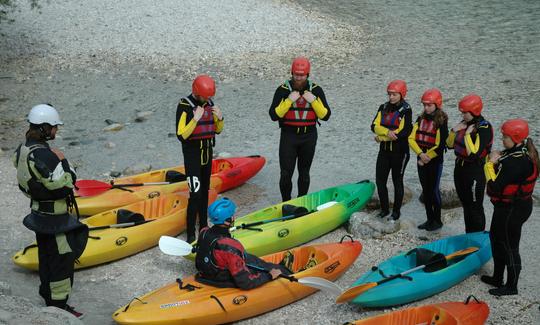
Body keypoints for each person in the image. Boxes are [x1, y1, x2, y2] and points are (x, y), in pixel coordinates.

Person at [12, 104, 88, 318]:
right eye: (54, 127)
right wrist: (63, 161)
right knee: (61, 260)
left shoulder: (21, 150)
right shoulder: (47, 156)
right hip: (55, 219)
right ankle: (59, 307)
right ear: (44, 128)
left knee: (46, 256)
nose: (56, 131)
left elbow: (26, 181)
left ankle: (47, 296)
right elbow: (66, 184)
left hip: (38, 214)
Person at [482, 119, 538, 296]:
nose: (502, 140)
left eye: (505, 137)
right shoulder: (516, 152)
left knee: (509, 246)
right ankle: (497, 277)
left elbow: (493, 187)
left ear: (516, 138)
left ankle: (511, 286)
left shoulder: (516, 162)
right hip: (508, 207)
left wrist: (489, 164)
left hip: (513, 209)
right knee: (496, 239)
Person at [269, 57, 331, 201]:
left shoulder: (316, 90)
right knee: (285, 173)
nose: (299, 78)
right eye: (296, 75)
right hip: (288, 136)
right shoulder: (282, 90)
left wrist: (314, 101)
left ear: (307, 74)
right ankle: (286, 202)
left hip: (308, 137)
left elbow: (326, 116)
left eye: (302, 75)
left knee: (304, 173)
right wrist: (289, 100)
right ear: (292, 73)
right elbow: (273, 115)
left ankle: (301, 200)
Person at [195, 198, 291, 289]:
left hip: (206, 274)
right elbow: (246, 282)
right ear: (228, 221)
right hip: (222, 279)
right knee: (259, 266)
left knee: (252, 258)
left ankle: (278, 266)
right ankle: (286, 271)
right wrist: (269, 276)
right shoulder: (230, 246)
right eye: (232, 215)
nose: (234, 217)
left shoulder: (204, 231)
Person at [176, 75, 224, 243]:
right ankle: (190, 233)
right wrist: (195, 119)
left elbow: (217, 130)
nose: (208, 99)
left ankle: (203, 227)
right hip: (193, 157)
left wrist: (220, 118)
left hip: (207, 155)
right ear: (197, 92)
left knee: (205, 193)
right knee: (195, 194)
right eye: (205, 96)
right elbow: (181, 135)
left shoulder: (209, 104)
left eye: (210, 96)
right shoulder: (184, 106)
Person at [446, 94, 493, 233]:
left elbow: (474, 152)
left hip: (475, 171)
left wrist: (467, 134)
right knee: (466, 205)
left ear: (475, 111)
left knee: (475, 206)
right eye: (462, 112)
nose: (463, 115)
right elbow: (448, 145)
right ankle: (469, 234)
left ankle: (478, 235)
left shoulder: (484, 128)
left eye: (465, 112)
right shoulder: (464, 123)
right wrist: (454, 130)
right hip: (460, 168)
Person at [371, 80, 413, 220]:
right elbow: (374, 126)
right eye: (389, 94)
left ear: (402, 94)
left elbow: (402, 133)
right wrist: (387, 132)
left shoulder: (406, 110)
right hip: (384, 152)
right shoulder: (383, 107)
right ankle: (384, 209)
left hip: (400, 153)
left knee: (397, 181)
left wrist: (382, 137)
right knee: (380, 181)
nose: (391, 97)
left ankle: (396, 212)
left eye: (394, 94)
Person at [408, 89, 448, 231]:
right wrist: (420, 154)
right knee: (426, 191)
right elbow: (411, 138)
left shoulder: (441, 121)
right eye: (424, 105)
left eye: (429, 105)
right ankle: (429, 219)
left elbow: (441, 144)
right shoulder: (420, 119)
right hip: (421, 159)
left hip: (435, 162)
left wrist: (427, 158)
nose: (426, 108)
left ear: (437, 104)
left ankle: (437, 221)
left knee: (434, 191)